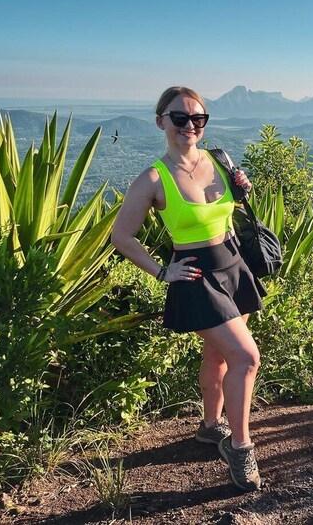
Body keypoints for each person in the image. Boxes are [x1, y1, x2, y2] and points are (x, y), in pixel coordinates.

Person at [111, 86, 265, 491]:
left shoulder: (218, 160)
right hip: (196, 278)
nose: (189, 126)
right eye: (179, 118)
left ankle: (211, 427)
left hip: (234, 266)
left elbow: (232, 212)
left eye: (198, 119)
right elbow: (122, 237)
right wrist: (162, 272)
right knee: (246, 358)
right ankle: (240, 446)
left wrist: (242, 189)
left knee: (217, 356)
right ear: (161, 120)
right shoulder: (152, 178)